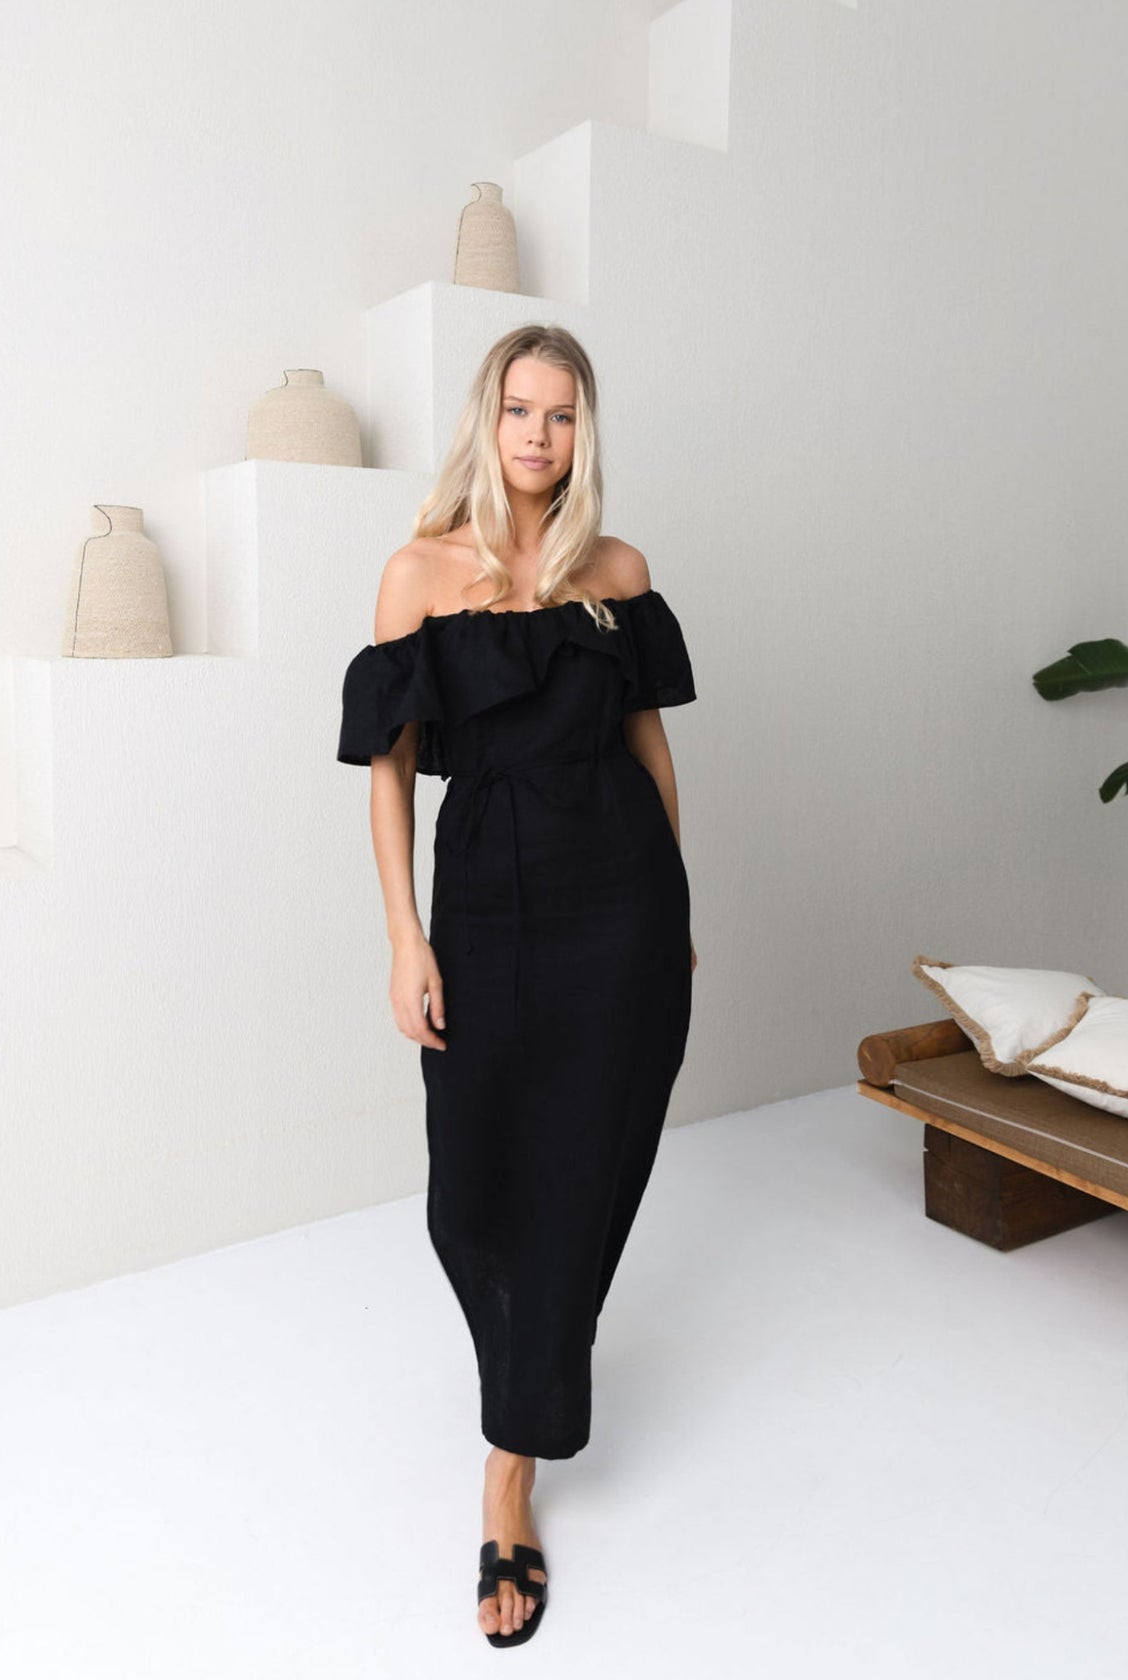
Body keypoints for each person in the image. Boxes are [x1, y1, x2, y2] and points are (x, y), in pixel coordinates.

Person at [337, 323, 697, 1646]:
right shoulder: (418, 572)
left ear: (582, 433)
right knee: (473, 1190)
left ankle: (510, 1475)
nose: (539, 436)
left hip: (624, 910)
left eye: (562, 416)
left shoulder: (617, 572)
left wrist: (682, 907)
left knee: (583, 1168)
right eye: (519, 411)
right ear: (486, 422)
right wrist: (402, 937)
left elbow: (649, 747)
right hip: (485, 901)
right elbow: (385, 767)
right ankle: (533, 1386)